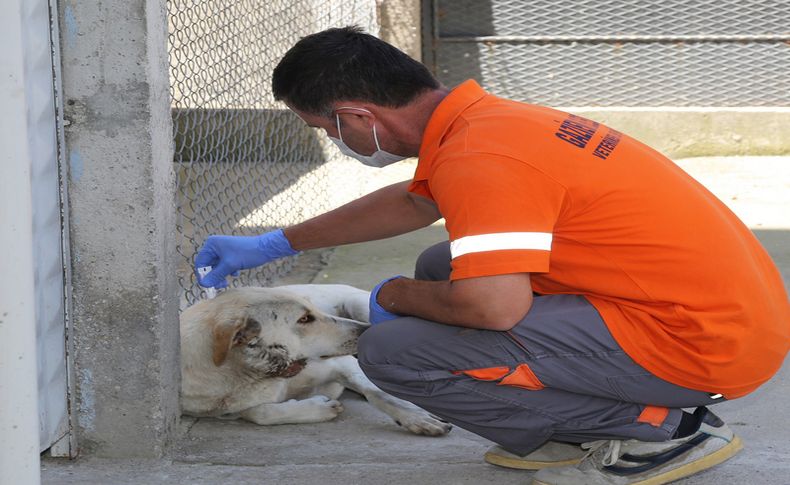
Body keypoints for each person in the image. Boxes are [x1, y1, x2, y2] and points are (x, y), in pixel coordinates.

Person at [194, 26, 790, 484]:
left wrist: (391, 295)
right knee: (439, 268)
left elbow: (491, 308)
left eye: (326, 130)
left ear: (358, 115)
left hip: (702, 345)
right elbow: (413, 200)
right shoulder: (486, 124)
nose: (334, 141)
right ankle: (581, 421)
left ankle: (658, 431)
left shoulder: (482, 163)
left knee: (391, 350)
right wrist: (278, 242)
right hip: (721, 317)